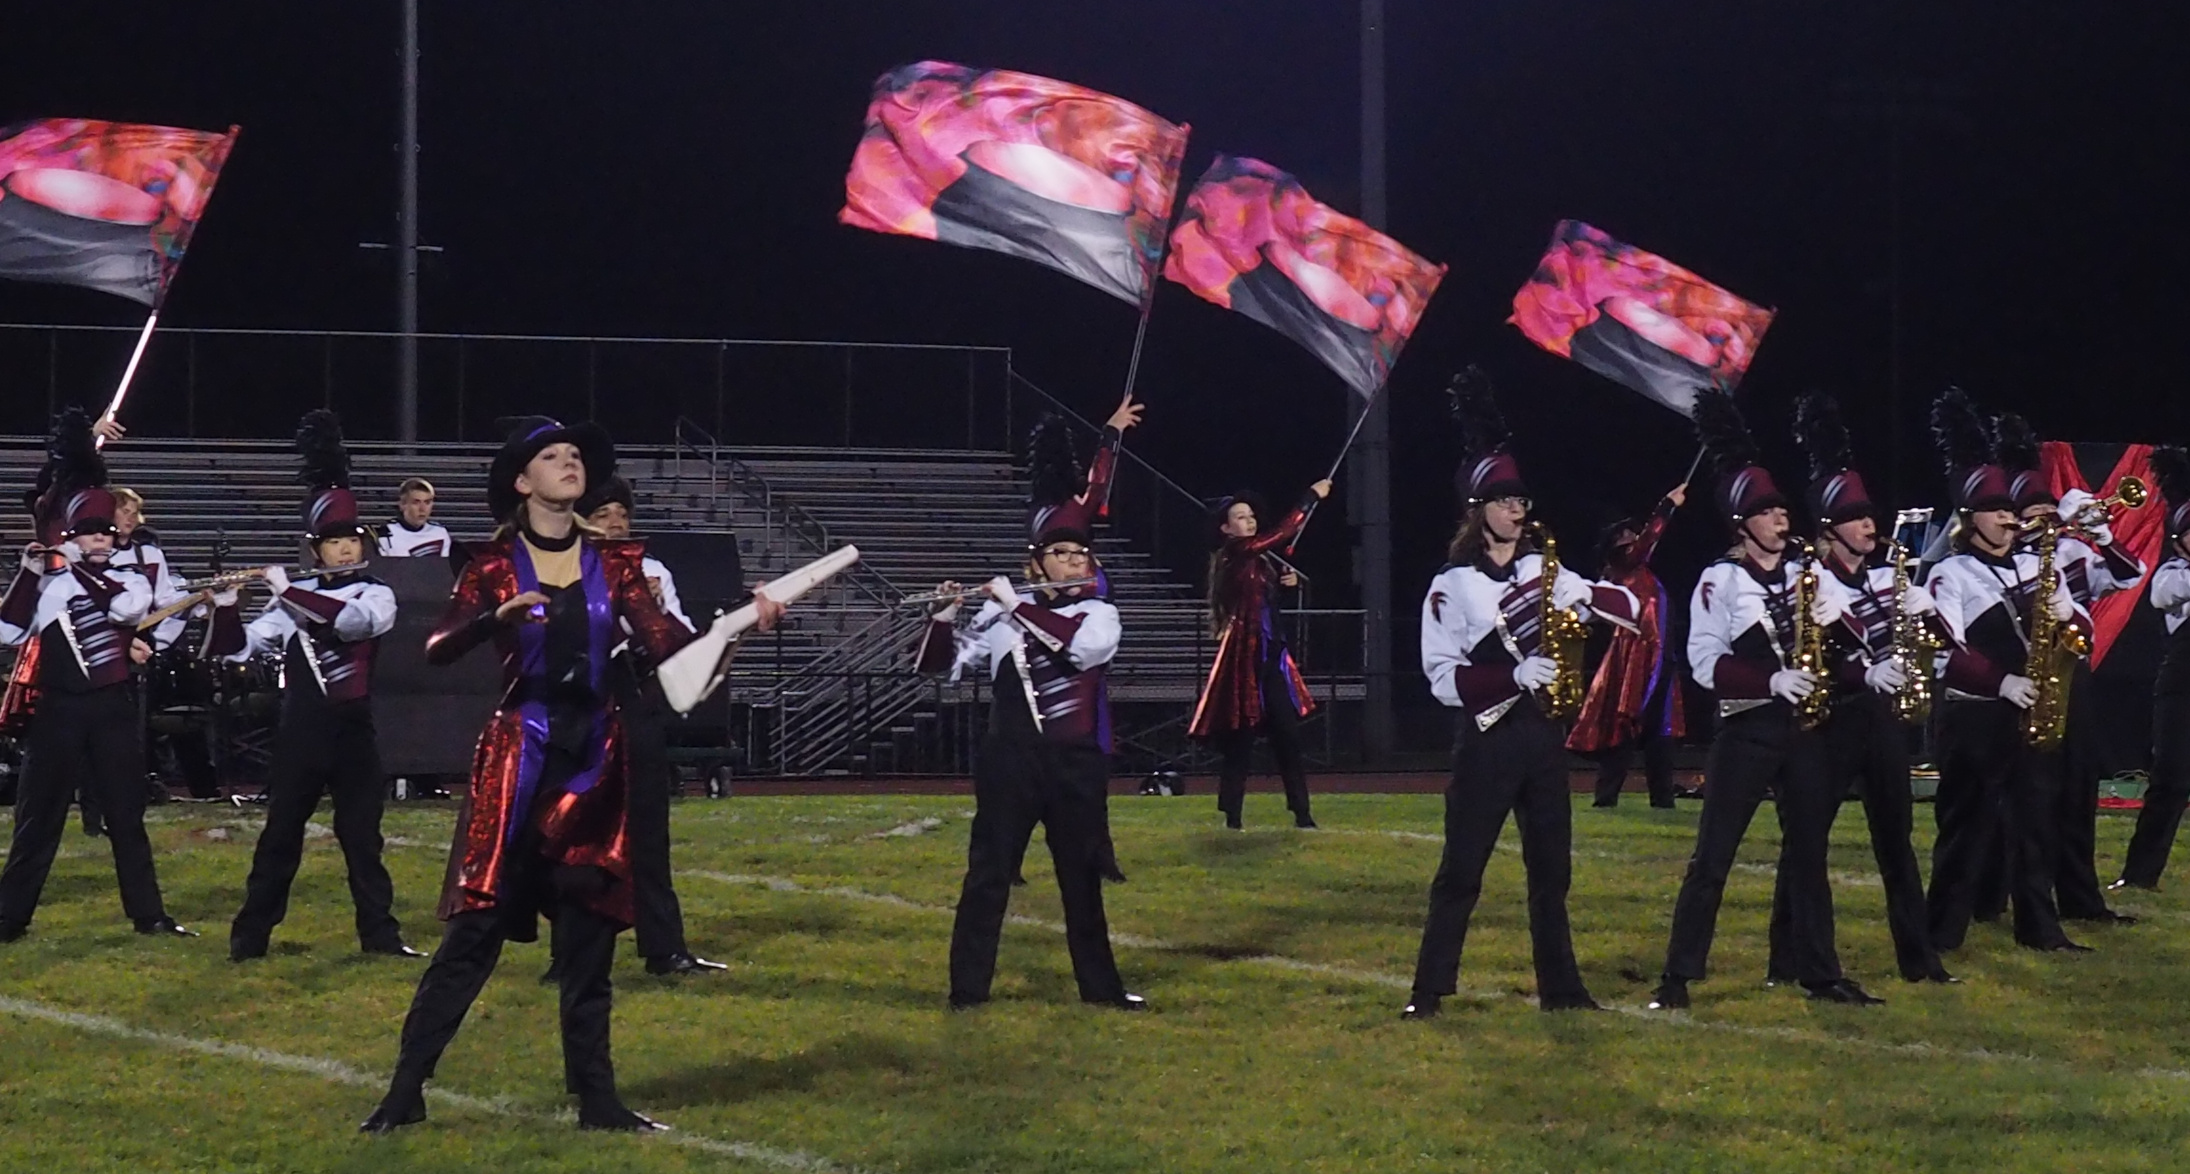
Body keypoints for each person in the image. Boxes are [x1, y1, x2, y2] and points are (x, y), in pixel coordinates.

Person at [362, 417, 780, 1134]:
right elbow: (436, 646)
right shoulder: (491, 566)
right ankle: (404, 1092)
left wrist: (740, 623)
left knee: (590, 942)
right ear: (523, 483)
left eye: (574, 456)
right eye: (551, 457)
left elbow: (667, 648)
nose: (569, 463)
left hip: (593, 762)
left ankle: (599, 1100)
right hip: (519, 760)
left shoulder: (616, 565)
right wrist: (496, 615)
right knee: (474, 936)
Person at [1402, 374, 1639, 1018]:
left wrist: (1595, 600)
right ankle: (1428, 992)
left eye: (1521, 500)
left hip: (1542, 738)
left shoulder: (1544, 569)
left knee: (1551, 876)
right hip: (1487, 740)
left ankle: (1562, 991)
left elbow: (1630, 610)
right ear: (1479, 508)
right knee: (1462, 871)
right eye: (1505, 501)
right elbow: (1441, 677)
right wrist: (1514, 675)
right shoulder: (1451, 586)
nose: (1518, 510)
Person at [1649, 387, 1879, 1010]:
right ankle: (1677, 976)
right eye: (1770, 511)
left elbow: (1846, 642)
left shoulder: (1811, 576)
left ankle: (1820, 973)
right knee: (1714, 855)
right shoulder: (1718, 581)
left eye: (1783, 510)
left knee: (1810, 855)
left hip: (1805, 732)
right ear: (1741, 522)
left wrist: (1870, 669)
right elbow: (1702, 664)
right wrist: (1770, 680)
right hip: (1748, 730)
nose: (1783, 518)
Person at [210, 411, 417, 962]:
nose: (345, 549)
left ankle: (381, 937)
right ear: (316, 549)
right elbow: (238, 650)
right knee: (280, 838)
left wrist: (289, 592)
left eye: (351, 539)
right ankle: (249, 939)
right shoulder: (293, 598)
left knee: (363, 842)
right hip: (301, 733)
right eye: (333, 543)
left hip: (354, 734)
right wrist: (228, 608)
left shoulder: (377, 594)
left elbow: (346, 624)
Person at [1764, 393, 1954, 985]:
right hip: (1825, 724)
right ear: (1829, 528)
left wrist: (1930, 615)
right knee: (1806, 844)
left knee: (1896, 842)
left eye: (1871, 515)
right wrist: (1863, 670)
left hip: (1879, 721)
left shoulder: (1885, 578)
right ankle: (1791, 961)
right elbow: (1816, 651)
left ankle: (1919, 960)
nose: (1872, 524)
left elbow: (1947, 638)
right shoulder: (1809, 581)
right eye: (1858, 517)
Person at [916, 517, 1142, 1012]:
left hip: (1075, 763)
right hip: (1009, 761)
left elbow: (1083, 650)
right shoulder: (998, 618)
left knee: (1081, 878)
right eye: (1061, 552)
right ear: (1036, 564)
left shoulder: (1099, 613)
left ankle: (1101, 989)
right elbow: (939, 669)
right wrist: (942, 618)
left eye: (1081, 554)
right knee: (988, 874)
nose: (1074, 560)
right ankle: (968, 991)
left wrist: (1015, 605)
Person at [0, 407, 190, 942]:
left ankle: (149, 915)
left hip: (111, 706)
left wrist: (73, 562)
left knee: (127, 816)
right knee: (39, 819)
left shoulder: (125, 579)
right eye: (90, 534)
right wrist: (33, 571)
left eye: (107, 533)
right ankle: (9, 917)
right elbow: (8, 632)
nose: (103, 540)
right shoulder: (49, 584)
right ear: (72, 535)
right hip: (57, 706)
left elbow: (130, 610)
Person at [1922, 390, 2090, 955]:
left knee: (2036, 823)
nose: (2011, 519)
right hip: (1975, 717)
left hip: (2030, 714)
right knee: (1965, 829)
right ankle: (1940, 932)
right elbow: (1944, 651)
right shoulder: (1952, 574)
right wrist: (2002, 682)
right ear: (1970, 519)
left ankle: (2040, 929)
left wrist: (2074, 627)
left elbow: (2075, 625)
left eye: (2011, 512)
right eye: (1998, 512)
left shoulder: (2036, 565)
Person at [565, 473, 723, 977]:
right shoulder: (564, 564)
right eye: (602, 516)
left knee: (650, 831)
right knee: (578, 834)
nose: (615, 525)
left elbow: (684, 641)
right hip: (578, 704)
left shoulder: (652, 569)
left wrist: (651, 608)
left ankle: (665, 948)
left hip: (635, 702)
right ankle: (570, 954)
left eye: (622, 516)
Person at [1996, 415, 2144, 925]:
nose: (2042, 521)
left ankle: (2082, 898)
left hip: (2072, 677)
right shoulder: (2005, 561)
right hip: (2021, 678)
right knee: (2030, 797)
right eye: (2032, 514)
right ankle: (2018, 898)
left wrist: (2103, 535)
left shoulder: (2073, 551)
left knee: (2079, 788)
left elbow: (2128, 575)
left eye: (2046, 512)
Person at [1189, 476, 1333, 831]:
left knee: (1288, 737)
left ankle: (1302, 813)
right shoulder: (1236, 552)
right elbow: (1282, 532)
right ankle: (1233, 816)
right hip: (1244, 661)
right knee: (1240, 740)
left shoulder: (1259, 560)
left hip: (1270, 660)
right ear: (1225, 527)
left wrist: (1287, 584)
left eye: (1251, 515)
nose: (1249, 521)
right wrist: (1309, 497)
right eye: (1240, 516)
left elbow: (1265, 607)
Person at [1569, 483, 1689, 807]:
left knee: (1659, 733)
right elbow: (1648, 541)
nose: (1632, 539)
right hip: (1636, 657)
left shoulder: (1642, 573)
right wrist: (1667, 506)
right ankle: (1606, 798)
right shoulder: (1623, 564)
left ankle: (1663, 801)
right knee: (1624, 727)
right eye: (1626, 535)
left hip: (1660, 657)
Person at [109, 485, 221, 802]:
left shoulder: (150, 554)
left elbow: (166, 600)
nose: (130, 518)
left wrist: (200, 601)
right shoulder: (97, 551)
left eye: (134, 512)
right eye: (123, 510)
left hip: (144, 646)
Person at [2116, 446, 2190, 890]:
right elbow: (2164, 596)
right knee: (2170, 781)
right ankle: (2140, 875)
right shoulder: (2171, 575)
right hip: (2183, 688)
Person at [378, 477, 451, 558]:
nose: (422, 509)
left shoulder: (439, 533)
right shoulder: (387, 533)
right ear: (402, 505)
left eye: (427, 502)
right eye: (416, 502)